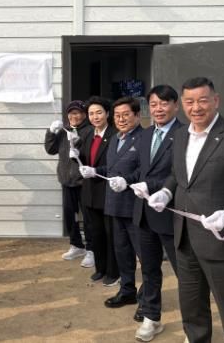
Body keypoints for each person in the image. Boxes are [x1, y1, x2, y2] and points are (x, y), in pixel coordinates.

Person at [147, 77, 224, 343]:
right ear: (182, 104)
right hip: (184, 239)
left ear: (216, 100)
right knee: (192, 310)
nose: (196, 108)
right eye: (189, 102)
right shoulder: (180, 135)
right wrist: (166, 192)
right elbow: (178, 175)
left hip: (222, 241)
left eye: (203, 100)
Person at [118, 85, 182, 341]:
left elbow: (179, 174)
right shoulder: (145, 135)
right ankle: (151, 317)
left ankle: (194, 324)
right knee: (149, 269)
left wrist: (153, 185)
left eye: (164, 104)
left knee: (185, 273)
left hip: (172, 214)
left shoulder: (185, 135)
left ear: (176, 105)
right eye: (154, 104)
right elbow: (142, 171)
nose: (158, 109)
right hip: (144, 214)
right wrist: (125, 180)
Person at [102, 97, 144, 311]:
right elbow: (111, 170)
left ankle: (147, 300)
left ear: (137, 115)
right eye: (117, 115)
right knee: (122, 252)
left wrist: (127, 181)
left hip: (136, 206)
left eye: (126, 114)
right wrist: (94, 171)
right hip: (115, 205)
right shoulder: (115, 139)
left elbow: (146, 170)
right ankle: (127, 291)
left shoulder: (145, 138)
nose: (121, 119)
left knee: (145, 256)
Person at [44, 99, 93, 265]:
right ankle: (76, 245)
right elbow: (50, 149)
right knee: (70, 215)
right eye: (71, 113)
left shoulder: (90, 131)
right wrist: (51, 132)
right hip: (66, 181)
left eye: (77, 113)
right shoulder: (63, 131)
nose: (74, 116)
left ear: (84, 115)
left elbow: (93, 155)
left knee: (88, 217)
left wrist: (80, 148)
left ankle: (92, 249)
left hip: (84, 182)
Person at [78, 96, 119, 286]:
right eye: (91, 113)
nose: (95, 117)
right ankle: (100, 268)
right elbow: (84, 161)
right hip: (90, 193)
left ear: (107, 114)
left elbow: (116, 165)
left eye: (99, 113)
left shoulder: (115, 135)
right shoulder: (88, 134)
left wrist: (95, 171)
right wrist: (75, 155)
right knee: (96, 233)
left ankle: (113, 271)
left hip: (107, 191)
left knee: (110, 234)